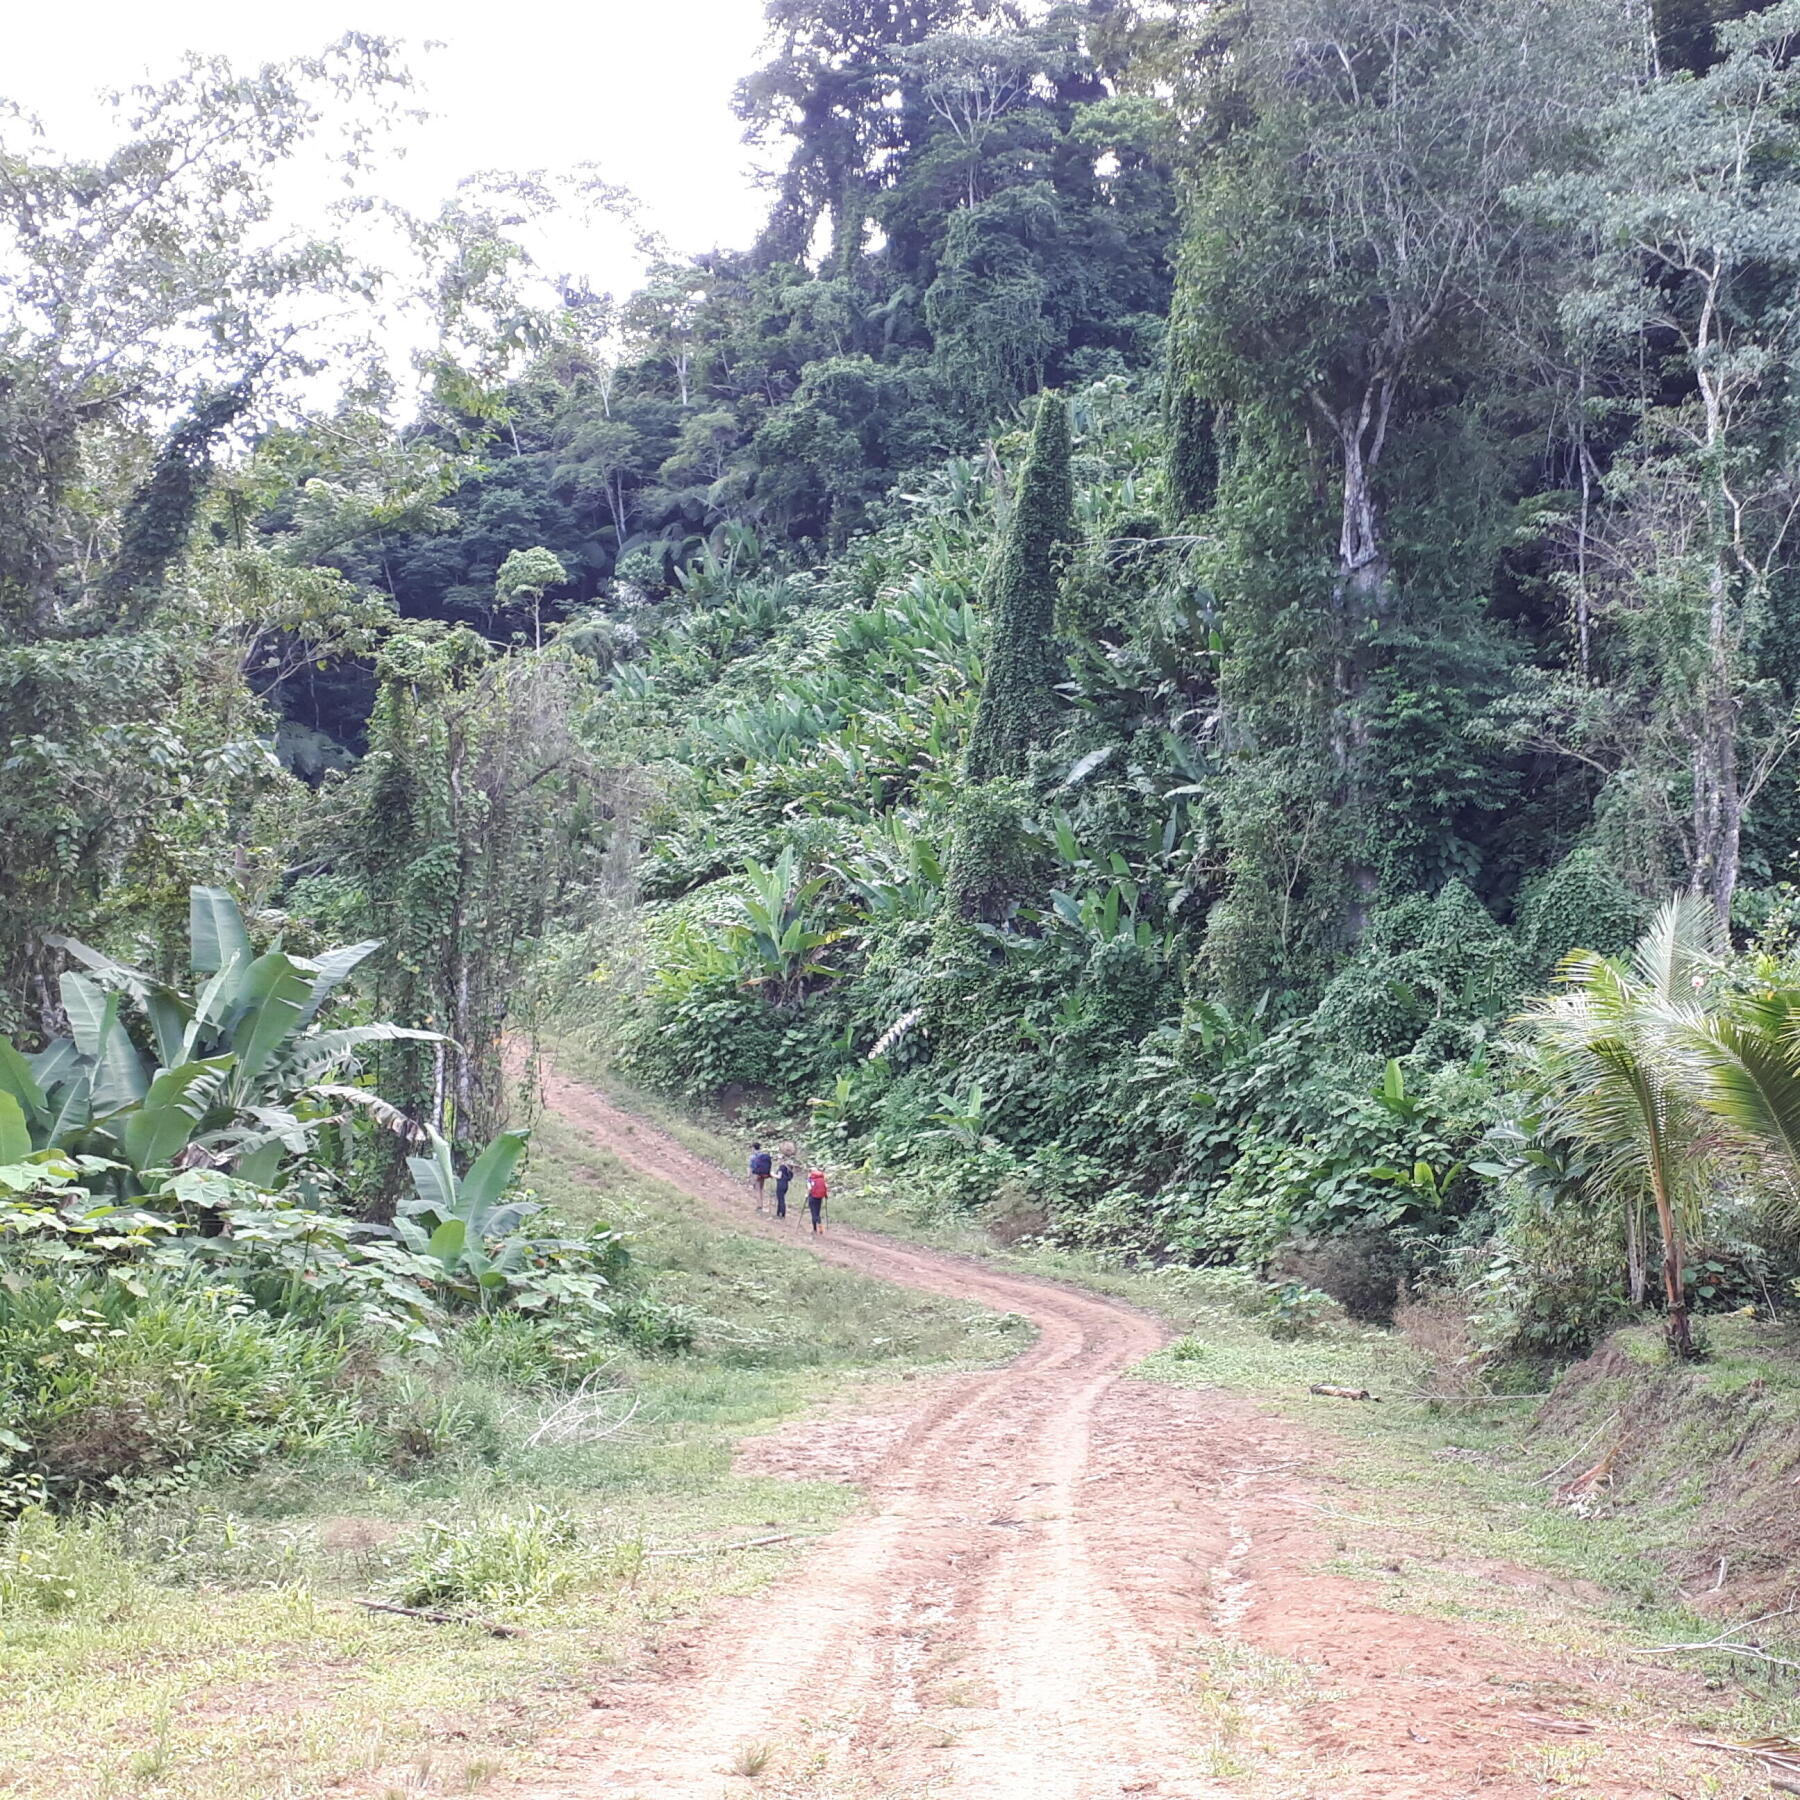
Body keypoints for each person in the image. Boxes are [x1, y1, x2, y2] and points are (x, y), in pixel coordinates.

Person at [748, 1142, 773, 1211]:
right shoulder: (763, 1155)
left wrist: (749, 1176)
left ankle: (759, 1206)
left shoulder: (752, 1157)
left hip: (756, 1174)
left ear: (753, 1148)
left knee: (757, 1189)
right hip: (763, 1174)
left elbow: (750, 1167)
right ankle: (762, 1204)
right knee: (761, 1189)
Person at [805, 1166, 828, 1234]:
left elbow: (809, 1188)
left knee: (813, 1213)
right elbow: (826, 1186)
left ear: (811, 1172)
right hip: (820, 1197)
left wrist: (807, 1195)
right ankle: (819, 1226)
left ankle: (815, 1228)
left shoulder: (810, 1179)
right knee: (817, 1213)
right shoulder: (821, 1178)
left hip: (812, 1197)